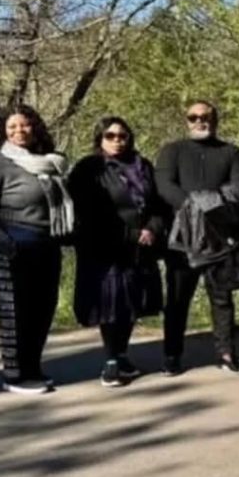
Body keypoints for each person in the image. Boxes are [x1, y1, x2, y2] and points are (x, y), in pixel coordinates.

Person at [0, 105, 73, 394]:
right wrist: (6, 245)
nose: (19, 131)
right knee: (15, 313)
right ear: (2, 132)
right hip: (10, 248)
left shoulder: (51, 163)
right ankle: (14, 375)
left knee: (42, 309)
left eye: (25, 125)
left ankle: (32, 367)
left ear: (35, 127)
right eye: (12, 126)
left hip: (46, 246)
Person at [155, 100, 239, 377]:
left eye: (206, 116)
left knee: (222, 299)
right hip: (183, 238)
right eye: (194, 117)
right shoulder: (172, 151)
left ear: (215, 119)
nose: (200, 121)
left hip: (220, 236)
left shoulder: (231, 152)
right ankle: (172, 354)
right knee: (177, 299)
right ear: (186, 121)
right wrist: (194, 205)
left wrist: (209, 206)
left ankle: (226, 353)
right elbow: (164, 186)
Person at [68, 117, 165, 388]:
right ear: (100, 138)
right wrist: (131, 234)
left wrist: (152, 229)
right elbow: (88, 213)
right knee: (111, 305)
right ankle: (111, 361)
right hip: (105, 247)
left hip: (140, 248)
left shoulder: (142, 166)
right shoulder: (89, 168)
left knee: (132, 303)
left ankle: (122, 355)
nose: (117, 141)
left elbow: (157, 205)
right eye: (110, 136)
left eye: (122, 136)